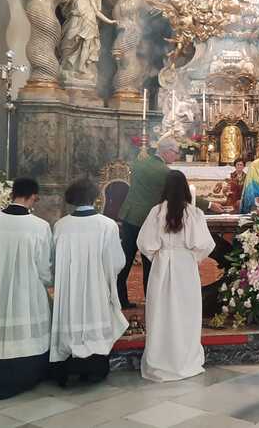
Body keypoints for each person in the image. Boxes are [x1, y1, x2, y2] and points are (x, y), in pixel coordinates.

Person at [0, 177, 54, 401]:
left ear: (12, 193)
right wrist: (45, 285)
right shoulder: (40, 226)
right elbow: (44, 269)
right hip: (26, 293)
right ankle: (23, 374)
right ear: (33, 197)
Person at [117, 136, 224, 309]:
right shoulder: (164, 172)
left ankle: (119, 299)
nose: (177, 155)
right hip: (147, 219)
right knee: (150, 263)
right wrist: (210, 205)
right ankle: (151, 301)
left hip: (130, 216)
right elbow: (183, 194)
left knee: (125, 260)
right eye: (175, 152)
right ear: (166, 151)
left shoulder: (139, 163)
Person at [137, 170, 216, 382]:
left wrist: (159, 256)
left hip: (162, 266)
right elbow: (206, 245)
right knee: (186, 313)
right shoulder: (194, 213)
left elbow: (144, 243)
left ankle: (159, 360)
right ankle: (184, 360)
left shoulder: (155, 212)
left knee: (160, 313)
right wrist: (191, 257)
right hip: (186, 268)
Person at [49, 178, 128, 387]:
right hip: (97, 286)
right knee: (96, 315)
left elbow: (55, 261)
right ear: (96, 197)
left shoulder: (61, 225)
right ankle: (94, 367)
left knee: (71, 316)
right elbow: (117, 262)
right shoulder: (107, 225)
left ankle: (68, 365)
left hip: (69, 287)